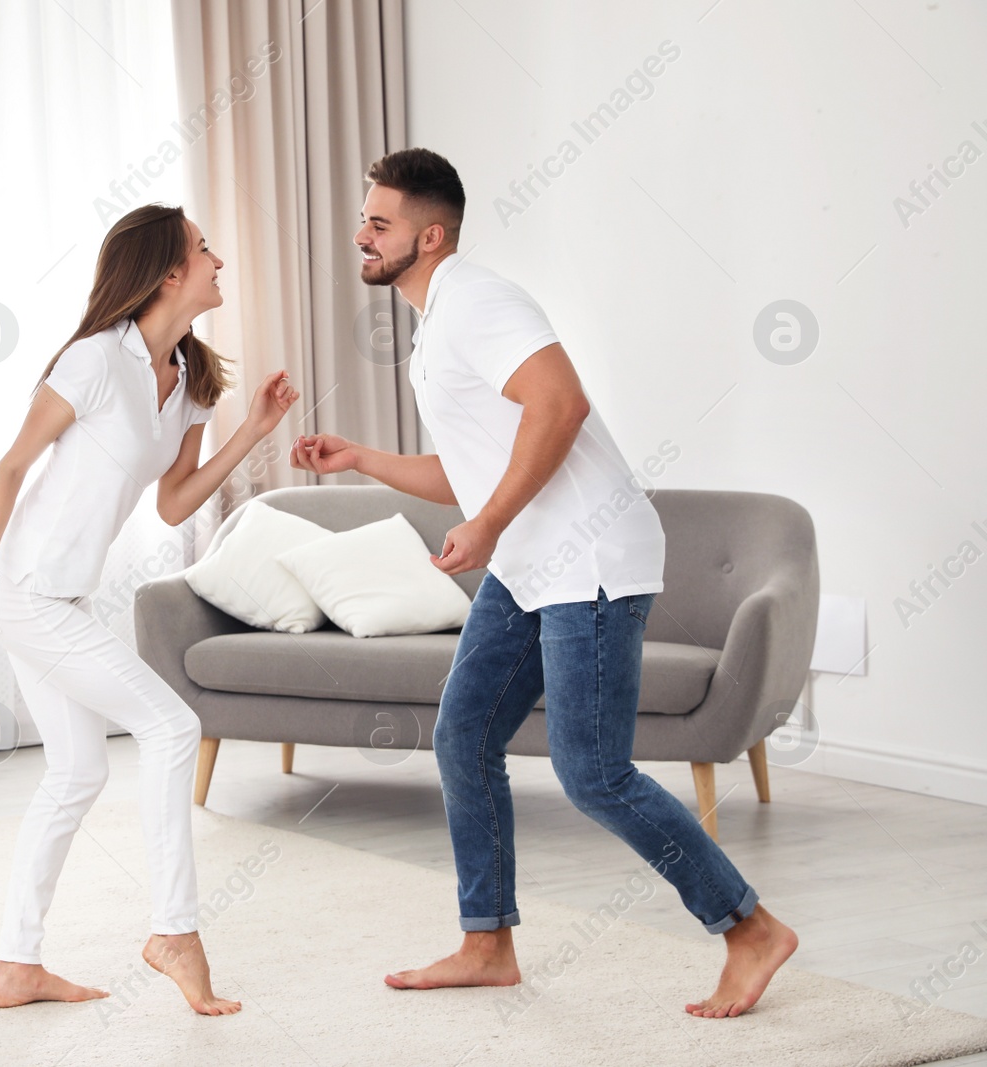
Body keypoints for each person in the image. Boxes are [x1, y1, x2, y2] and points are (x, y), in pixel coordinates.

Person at [291, 148, 797, 1018]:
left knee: (592, 772)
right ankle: (487, 943)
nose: (361, 235)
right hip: (532, 563)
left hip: (588, 558)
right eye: (364, 219)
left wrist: (486, 527)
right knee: (463, 736)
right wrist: (362, 459)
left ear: (431, 233)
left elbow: (559, 405)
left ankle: (748, 926)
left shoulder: (479, 300)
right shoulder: (438, 323)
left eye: (379, 222)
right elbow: (475, 470)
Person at [0, 204, 297, 1016]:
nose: (219, 260)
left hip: (63, 597)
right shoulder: (94, 360)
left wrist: (256, 429)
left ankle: (15, 965)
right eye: (204, 250)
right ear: (169, 272)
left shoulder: (193, 378)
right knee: (170, 726)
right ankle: (175, 932)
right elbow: (10, 467)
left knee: (76, 770)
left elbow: (174, 503)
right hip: (19, 590)